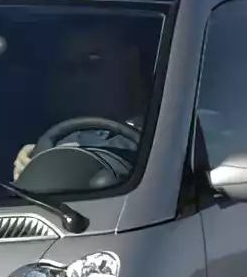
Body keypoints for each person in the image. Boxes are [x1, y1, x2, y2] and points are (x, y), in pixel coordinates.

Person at [13, 19, 151, 180]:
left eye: (92, 64)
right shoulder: (58, 128)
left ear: (130, 62)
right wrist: (30, 164)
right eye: (70, 68)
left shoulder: (169, 127)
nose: (79, 80)